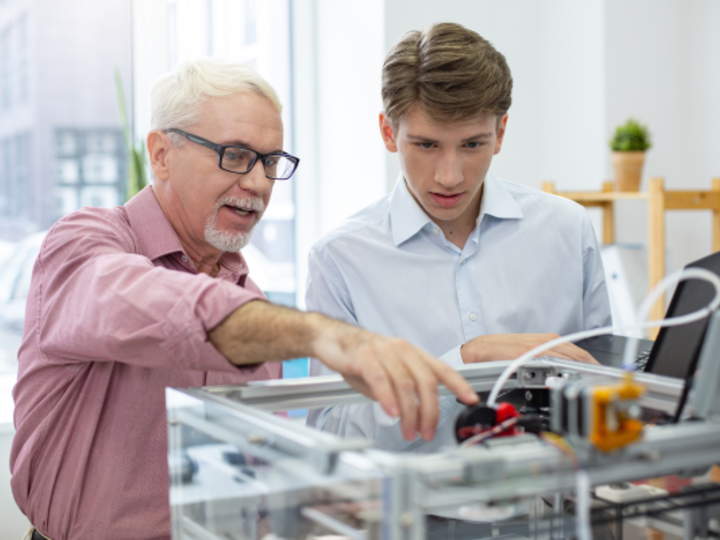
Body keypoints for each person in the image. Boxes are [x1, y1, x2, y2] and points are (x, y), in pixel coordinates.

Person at [10, 58, 478, 540]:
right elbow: (141, 304)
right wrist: (321, 335)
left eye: (271, 161)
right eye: (234, 155)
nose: (257, 183)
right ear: (161, 154)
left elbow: (248, 484)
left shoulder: (246, 296)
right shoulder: (85, 242)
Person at [306, 23, 610, 450]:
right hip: (414, 512)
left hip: (554, 505)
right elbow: (331, 434)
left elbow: (605, 379)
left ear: (501, 133)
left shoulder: (567, 228)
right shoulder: (339, 259)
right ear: (388, 133)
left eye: (472, 145)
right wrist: (465, 361)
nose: (449, 177)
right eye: (427, 145)